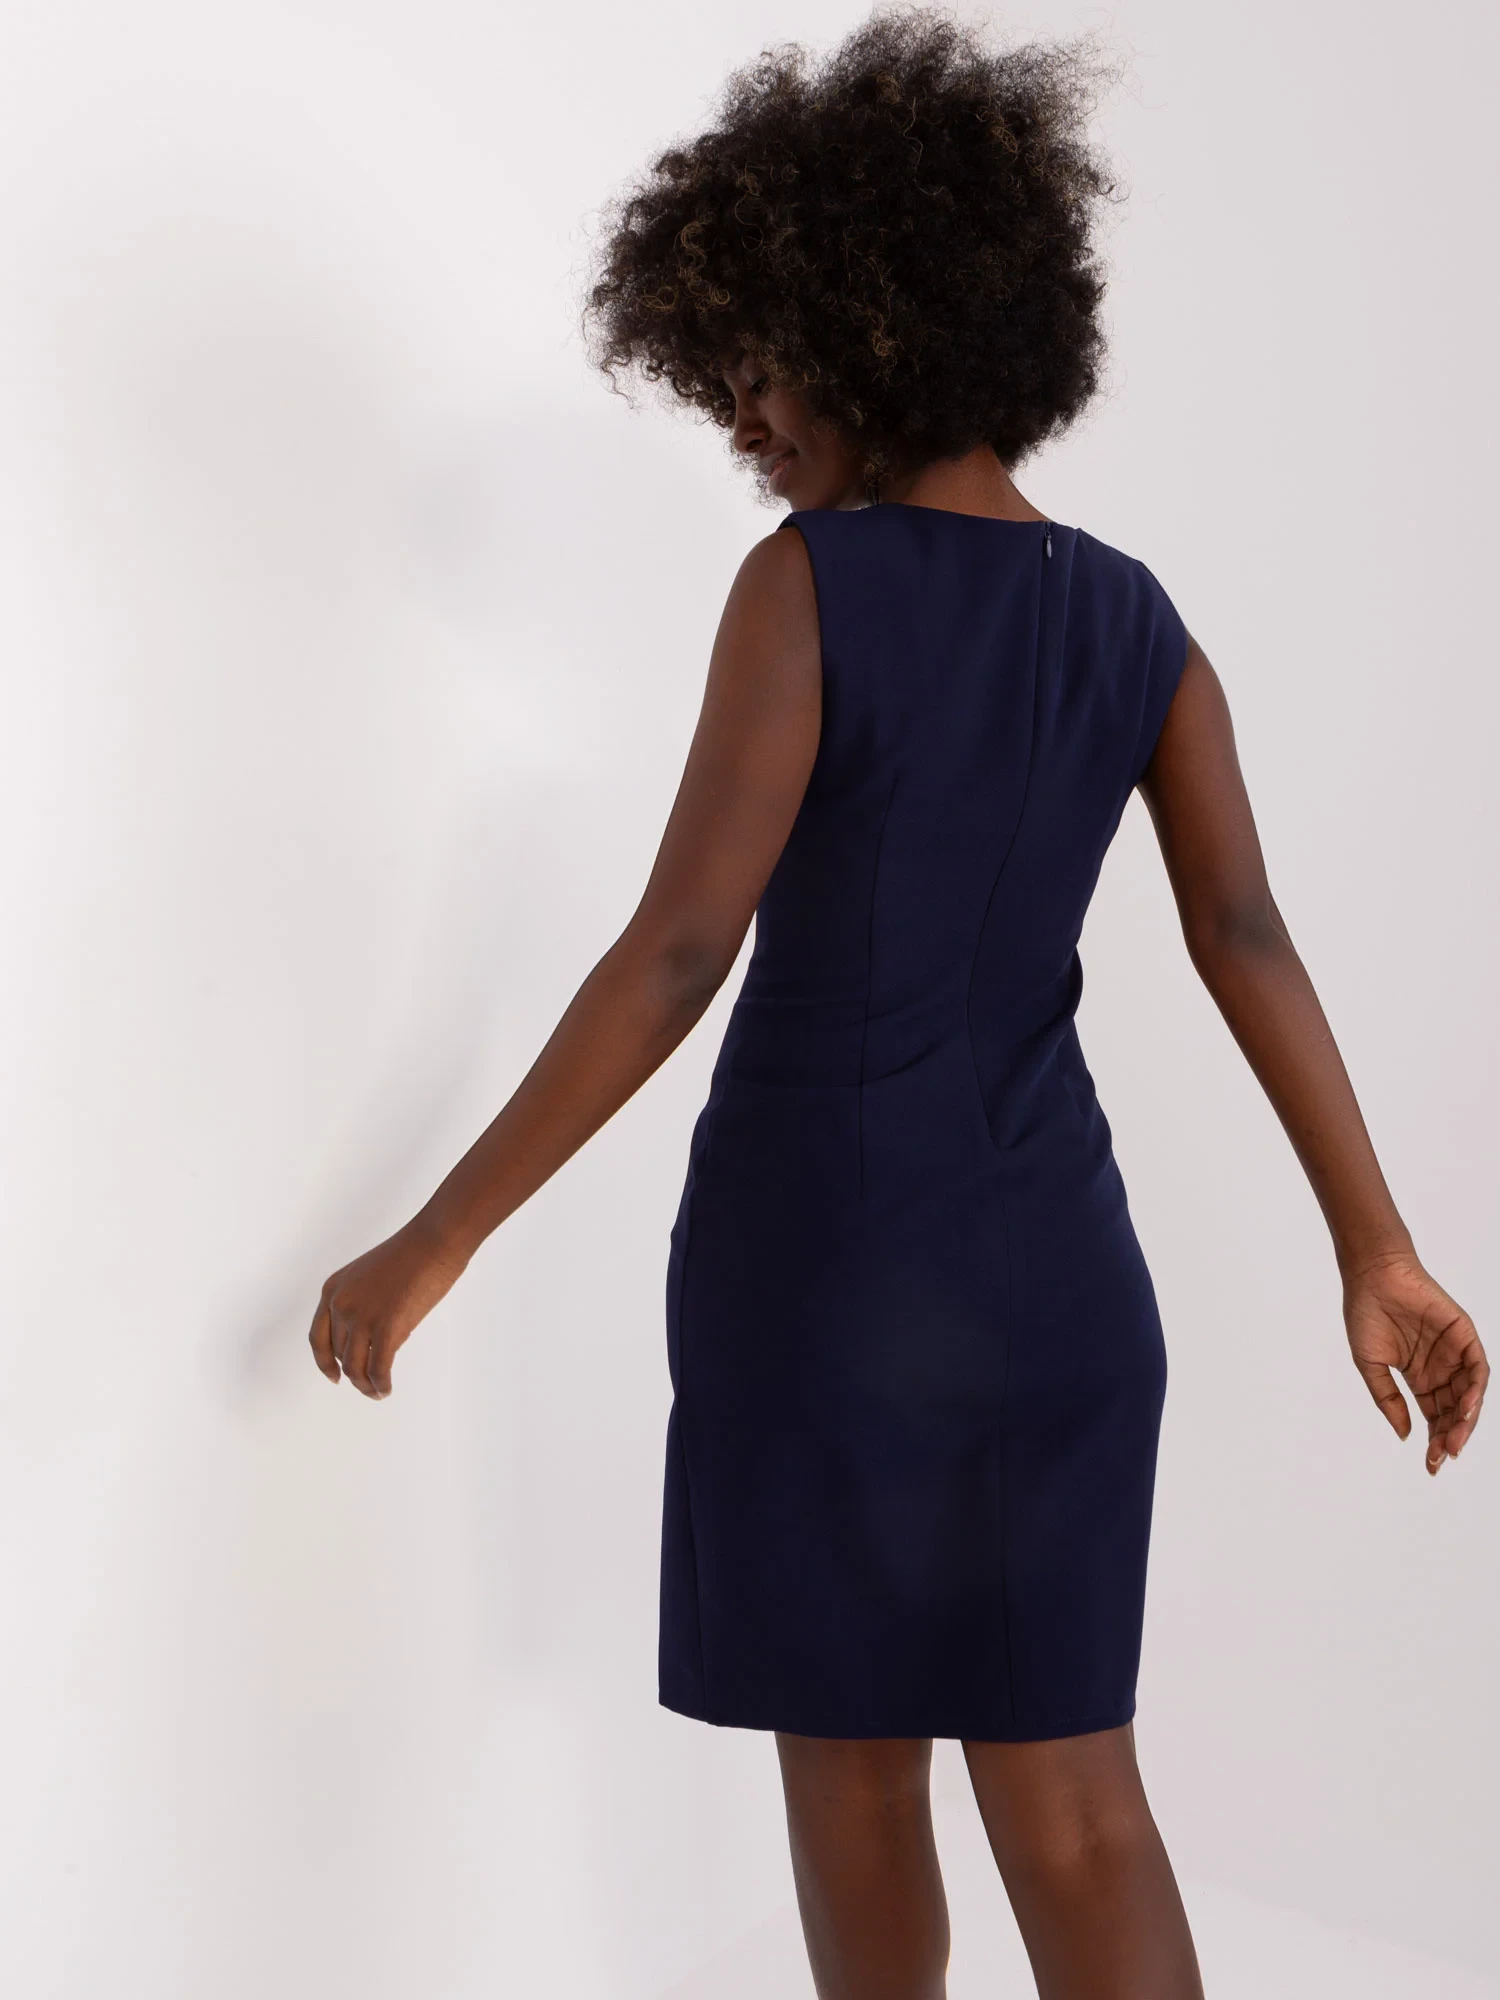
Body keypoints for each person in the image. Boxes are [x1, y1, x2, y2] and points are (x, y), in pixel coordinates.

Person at [307, 11, 1487, 1997]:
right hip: (1061, 1288)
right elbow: (1246, 929)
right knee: (1082, 1807)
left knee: (856, 1789)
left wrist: (437, 1238)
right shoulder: (1135, 620)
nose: (740, 412)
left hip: (828, 1282)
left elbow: (679, 950)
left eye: (758, 360)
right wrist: (1375, 1245)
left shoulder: (810, 587)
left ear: (873, 325)